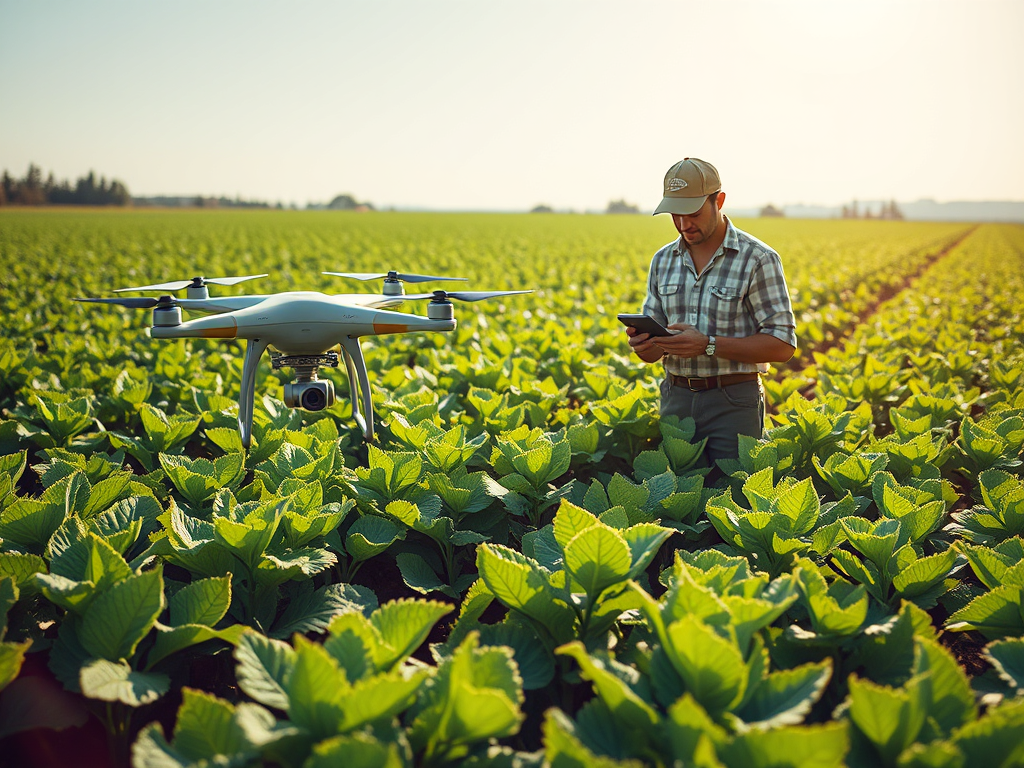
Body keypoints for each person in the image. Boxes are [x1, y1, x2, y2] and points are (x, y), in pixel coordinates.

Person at [626, 157, 797, 469]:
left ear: (719, 201)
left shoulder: (758, 259)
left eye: (692, 213)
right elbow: (650, 356)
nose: (683, 224)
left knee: (733, 499)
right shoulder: (662, 261)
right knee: (675, 499)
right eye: (674, 214)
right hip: (675, 399)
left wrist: (708, 344)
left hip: (733, 400)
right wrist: (644, 344)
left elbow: (783, 345)